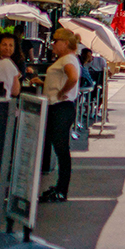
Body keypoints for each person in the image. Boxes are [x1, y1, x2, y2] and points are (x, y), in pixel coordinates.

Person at [40, 28, 82, 202]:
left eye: (56, 41)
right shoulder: (66, 59)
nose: (53, 44)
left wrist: (62, 92)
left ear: (65, 43)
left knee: (61, 148)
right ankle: (60, 187)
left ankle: (62, 189)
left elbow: (73, 77)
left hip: (60, 106)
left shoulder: (67, 59)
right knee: (59, 147)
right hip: (59, 106)